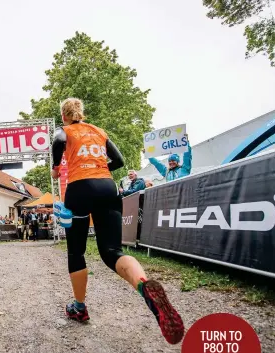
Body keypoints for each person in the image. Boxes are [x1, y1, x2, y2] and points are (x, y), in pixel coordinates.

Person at [51, 98, 184, 345]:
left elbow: (58, 141)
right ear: (83, 113)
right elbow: (120, 161)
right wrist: (99, 167)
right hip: (107, 186)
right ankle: (144, 285)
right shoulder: (99, 131)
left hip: (79, 188)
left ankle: (79, 307)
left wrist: (56, 167)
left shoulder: (65, 130)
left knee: (76, 252)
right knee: (112, 251)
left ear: (64, 115)